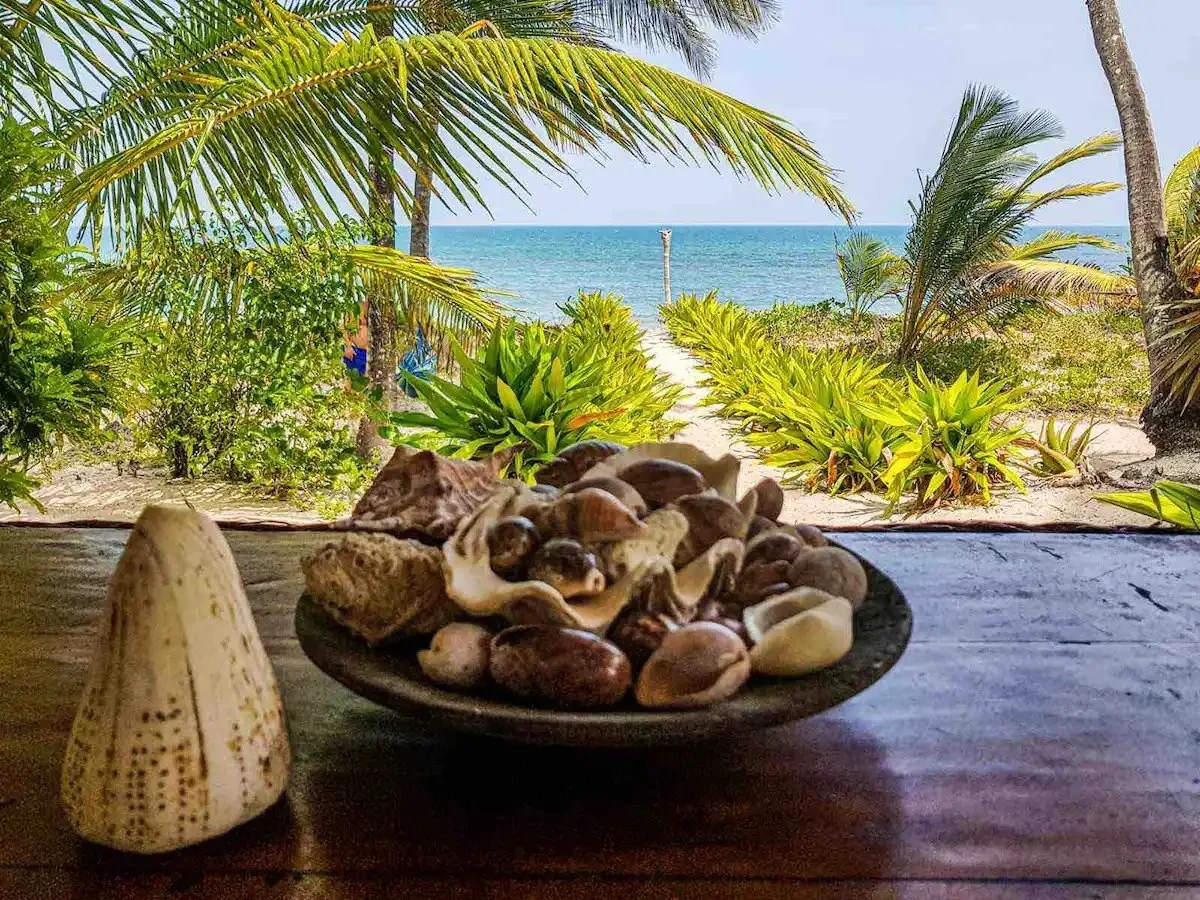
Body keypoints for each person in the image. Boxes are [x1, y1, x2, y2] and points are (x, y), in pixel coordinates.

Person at [344, 304, 368, 376]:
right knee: (354, 379)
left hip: (372, 353)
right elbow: (343, 328)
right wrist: (347, 346)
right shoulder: (353, 308)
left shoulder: (379, 308)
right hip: (354, 352)